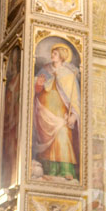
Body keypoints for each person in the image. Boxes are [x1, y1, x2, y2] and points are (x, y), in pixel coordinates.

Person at [33, 44, 80, 180]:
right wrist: (39, 85)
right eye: (52, 53)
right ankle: (49, 171)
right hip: (43, 113)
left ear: (61, 56)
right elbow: (34, 91)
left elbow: (75, 98)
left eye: (55, 54)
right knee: (47, 143)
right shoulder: (44, 70)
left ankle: (66, 170)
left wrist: (74, 115)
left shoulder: (69, 75)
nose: (52, 56)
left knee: (63, 135)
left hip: (61, 115)